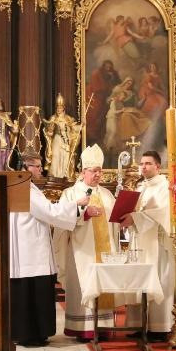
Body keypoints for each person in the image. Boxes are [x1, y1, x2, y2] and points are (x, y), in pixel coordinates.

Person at [10, 153, 89, 347]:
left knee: (27, 292)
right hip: (31, 251)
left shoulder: (21, 187)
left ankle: (29, 333)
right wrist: (76, 205)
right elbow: (50, 212)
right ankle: (32, 335)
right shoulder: (27, 190)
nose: (41, 170)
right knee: (33, 292)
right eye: (36, 166)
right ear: (25, 168)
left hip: (27, 249)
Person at [54, 144, 119, 340]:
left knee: (105, 285)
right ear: (83, 172)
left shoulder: (107, 195)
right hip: (81, 252)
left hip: (105, 253)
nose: (98, 174)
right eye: (93, 170)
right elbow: (61, 220)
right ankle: (83, 328)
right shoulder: (70, 193)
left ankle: (104, 327)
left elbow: (115, 223)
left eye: (100, 170)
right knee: (83, 285)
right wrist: (84, 214)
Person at [120, 151, 176, 341]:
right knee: (138, 280)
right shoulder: (141, 187)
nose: (143, 167)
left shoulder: (165, 187)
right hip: (140, 240)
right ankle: (139, 324)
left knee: (158, 280)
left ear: (157, 166)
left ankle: (159, 328)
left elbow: (162, 213)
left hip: (156, 243)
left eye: (148, 163)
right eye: (142, 164)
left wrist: (134, 218)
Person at [42, 94, 82, 180]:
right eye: (57, 108)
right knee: (56, 156)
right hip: (57, 139)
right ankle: (54, 175)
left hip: (66, 141)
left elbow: (74, 128)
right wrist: (50, 130)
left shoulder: (68, 118)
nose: (58, 110)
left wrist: (82, 125)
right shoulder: (53, 118)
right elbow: (49, 132)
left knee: (65, 157)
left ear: (63, 108)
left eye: (60, 108)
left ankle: (65, 176)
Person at [85, 60, 121, 143]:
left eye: (110, 67)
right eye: (106, 67)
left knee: (102, 116)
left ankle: (99, 135)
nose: (108, 68)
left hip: (104, 98)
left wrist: (112, 78)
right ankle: (91, 134)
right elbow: (97, 88)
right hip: (94, 96)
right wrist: (108, 88)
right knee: (94, 114)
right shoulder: (96, 73)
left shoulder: (112, 74)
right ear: (103, 66)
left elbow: (117, 83)